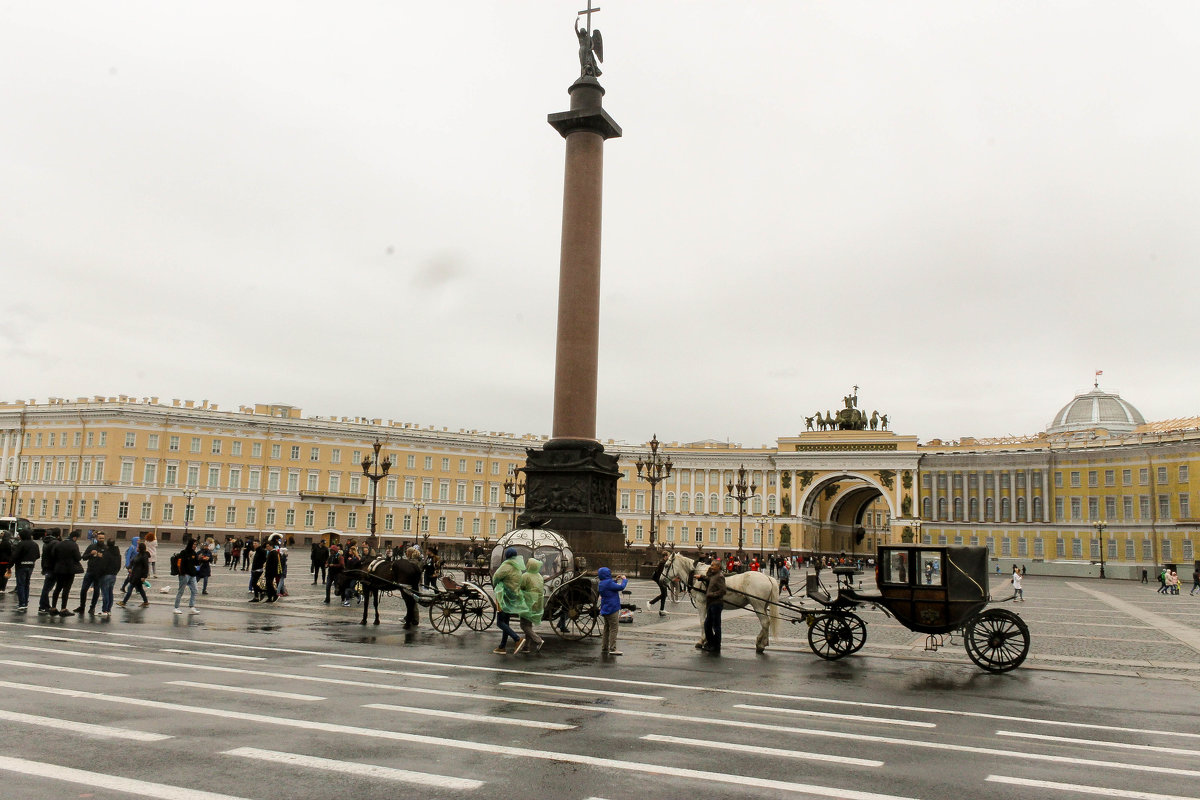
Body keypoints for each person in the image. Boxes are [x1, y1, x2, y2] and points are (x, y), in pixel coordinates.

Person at [491, 547, 527, 654]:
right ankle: (502, 647)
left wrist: (497, 584)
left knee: (500, 622)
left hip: (503, 597)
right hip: (512, 598)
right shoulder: (518, 567)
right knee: (505, 622)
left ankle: (517, 639)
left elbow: (496, 577)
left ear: (506, 556)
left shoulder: (506, 566)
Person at [515, 558, 545, 655]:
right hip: (537, 604)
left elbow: (520, 587)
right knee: (528, 625)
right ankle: (526, 647)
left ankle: (538, 640)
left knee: (523, 625)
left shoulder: (525, 576)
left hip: (528, 603)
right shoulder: (539, 576)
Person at [597, 565, 627, 657]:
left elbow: (610, 585)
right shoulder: (609, 583)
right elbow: (621, 587)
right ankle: (613, 648)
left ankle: (604, 646)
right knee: (614, 628)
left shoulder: (601, 583)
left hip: (605, 608)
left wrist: (615, 580)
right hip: (612, 608)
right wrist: (624, 580)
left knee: (606, 628)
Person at [75, 532, 108, 615]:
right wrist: (91, 554)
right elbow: (84, 557)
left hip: (100, 574)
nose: (101, 540)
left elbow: (109, 561)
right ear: (96, 538)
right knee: (83, 590)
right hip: (90, 571)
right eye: (100, 538)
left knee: (96, 591)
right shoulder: (92, 546)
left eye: (103, 538)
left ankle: (92, 607)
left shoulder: (106, 548)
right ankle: (82, 606)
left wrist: (102, 557)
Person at [51, 530, 83, 616]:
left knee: (57, 588)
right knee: (66, 589)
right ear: (75, 537)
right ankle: (63, 609)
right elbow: (78, 558)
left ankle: (53, 607)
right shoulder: (74, 545)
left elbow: (53, 555)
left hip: (58, 569)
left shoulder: (59, 544)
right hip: (69, 570)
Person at [12, 529, 39, 612]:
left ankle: (22, 603)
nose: (18, 536)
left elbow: (15, 556)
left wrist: (9, 565)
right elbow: (38, 555)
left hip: (21, 566)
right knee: (27, 584)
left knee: (20, 585)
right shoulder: (35, 544)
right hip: (31, 566)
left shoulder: (21, 544)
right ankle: (25, 602)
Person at [702, 560, 726, 653]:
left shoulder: (720, 576)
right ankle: (711, 643)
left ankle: (716, 645)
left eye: (713, 565)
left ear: (718, 567)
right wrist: (701, 577)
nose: (711, 567)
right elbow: (709, 579)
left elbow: (723, 591)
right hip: (711, 604)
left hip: (716, 604)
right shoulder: (713, 575)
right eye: (711, 565)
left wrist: (711, 594)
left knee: (716, 626)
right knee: (707, 624)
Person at [117, 542, 150, 608]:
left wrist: (144, 576)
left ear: (140, 548)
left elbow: (146, 567)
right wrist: (129, 567)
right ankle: (146, 602)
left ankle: (124, 602)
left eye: (138, 547)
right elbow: (132, 562)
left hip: (138, 575)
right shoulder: (138, 555)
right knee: (140, 589)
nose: (136, 548)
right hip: (135, 574)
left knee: (130, 587)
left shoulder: (144, 556)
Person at [173, 539, 200, 615]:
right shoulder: (184, 552)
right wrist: (182, 573)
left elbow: (196, 563)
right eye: (194, 544)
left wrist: (199, 558)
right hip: (185, 575)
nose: (195, 546)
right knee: (181, 591)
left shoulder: (194, 553)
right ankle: (176, 607)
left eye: (196, 545)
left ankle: (192, 606)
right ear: (190, 544)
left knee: (195, 590)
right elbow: (180, 563)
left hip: (192, 575)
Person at [97, 539, 122, 617]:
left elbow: (103, 565)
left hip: (106, 575)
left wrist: (100, 574)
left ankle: (104, 610)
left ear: (107, 544)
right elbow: (119, 565)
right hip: (113, 575)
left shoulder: (107, 553)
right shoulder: (118, 554)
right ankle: (109, 610)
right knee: (110, 593)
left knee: (105, 593)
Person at [37, 530, 60, 614]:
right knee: (47, 588)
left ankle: (45, 605)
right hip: (53, 568)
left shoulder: (46, 543)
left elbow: (44, 556)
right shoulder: (55, 543)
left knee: (46, 587)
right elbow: (56, 556)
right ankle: (43, 606)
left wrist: (43, 568)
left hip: (47, 567)